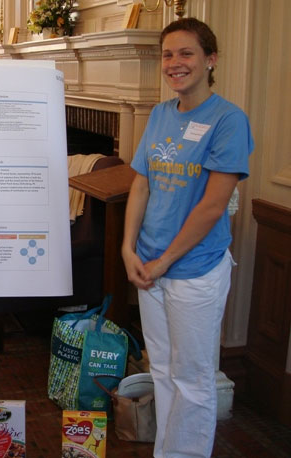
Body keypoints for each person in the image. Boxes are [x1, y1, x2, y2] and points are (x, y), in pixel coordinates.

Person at [121, 18, 254, 458]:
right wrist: (128, 248)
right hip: (149, 265)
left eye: (186, 53)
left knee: (192, 378)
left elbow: (213, 206)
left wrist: (164, 262)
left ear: (210, 60)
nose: (174, 64)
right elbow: (141, 184)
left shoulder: (229, 120)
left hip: (194, 271)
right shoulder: (160, 114)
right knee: (161, 370)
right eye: (167, 54)